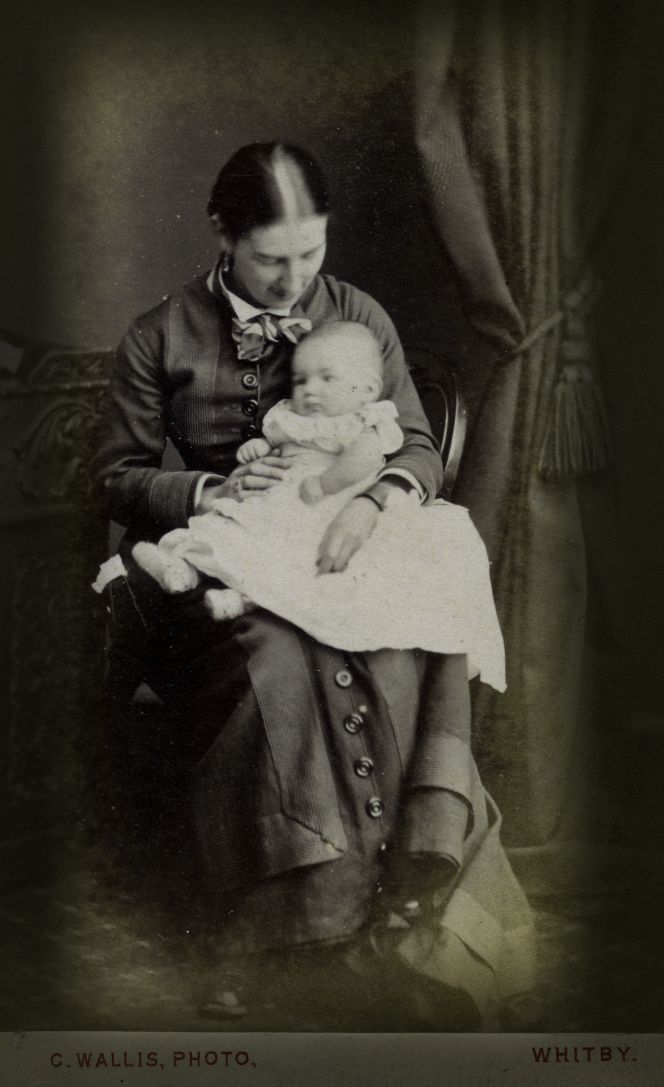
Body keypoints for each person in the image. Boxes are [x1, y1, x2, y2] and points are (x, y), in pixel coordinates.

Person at [93, 141, 534, 1029]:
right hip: (224, 570)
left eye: (311, 254)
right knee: (281, 656)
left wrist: (368, 503)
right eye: (271, 258)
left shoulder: (359, 314)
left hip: (340, 546)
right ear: (223, 233)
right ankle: (290, 921)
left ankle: (411, 871)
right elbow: (117, 472)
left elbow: (411, 442)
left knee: (407, 629)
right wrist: (209, 488)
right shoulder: (160, 332)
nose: (295, 278)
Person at [122, 320, 505, 690]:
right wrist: (256, 450)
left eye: (327, 378)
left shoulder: (365, 420)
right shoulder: (290, 416)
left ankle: (241, 598)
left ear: (368, 388)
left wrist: (325, 485)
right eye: (301, 380)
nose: (309, 390)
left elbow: (367, 458)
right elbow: (273, 445)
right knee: (229, 531)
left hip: (328, 502)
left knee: (298, 561)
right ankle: (182, 567)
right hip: (276, 500)